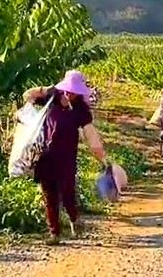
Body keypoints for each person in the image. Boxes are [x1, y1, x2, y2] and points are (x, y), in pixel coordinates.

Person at [23, 71, 107, 244]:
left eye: (74, 91)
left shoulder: (81, 109)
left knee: (67, 192)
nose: (70, 93)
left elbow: (90, 134)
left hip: (67, 158)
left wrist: (101, 156)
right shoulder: (52, 97)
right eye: (68, 89)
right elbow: (27, 96)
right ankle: (54, 233)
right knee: (49, 195)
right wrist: (45, 89)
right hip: (46, 156)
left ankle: (74, 219)